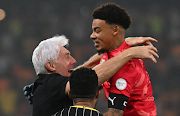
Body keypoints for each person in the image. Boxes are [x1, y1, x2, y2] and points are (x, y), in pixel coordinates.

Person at [23, 34, 158, 116]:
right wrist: (128, 54)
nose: (74, 61)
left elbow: (83, 73)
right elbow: (87, 79)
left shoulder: (48, 85)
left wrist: (121, 46)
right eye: (67, 57)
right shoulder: (49, 83)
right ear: (51, 66)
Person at [90, 3, 157, 116]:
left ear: (115, 30)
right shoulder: (113, 54)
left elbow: (115, 113)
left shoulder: (125, 65)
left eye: (97, 31)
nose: (92, 36)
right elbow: (84, 74)